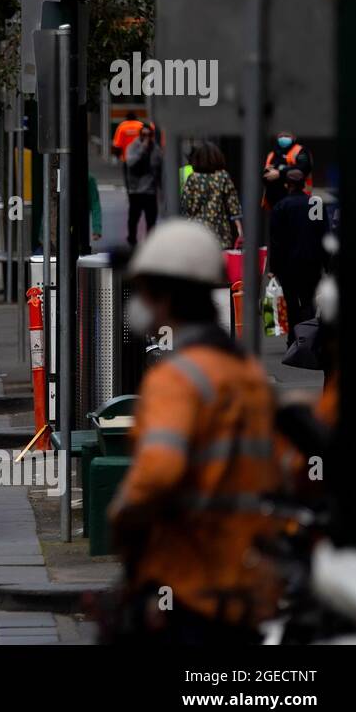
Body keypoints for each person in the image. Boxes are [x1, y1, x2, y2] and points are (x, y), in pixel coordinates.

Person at [109, 219, 282, 644]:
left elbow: (158, 472)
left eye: (146, 290)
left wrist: (120, 518)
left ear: (164, 296)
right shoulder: (249, 374)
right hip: (247, 595)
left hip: (188, 594)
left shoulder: (176, 378)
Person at [268, 168, 327, 345]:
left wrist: (274, 268)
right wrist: (327, 263)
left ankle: (294, 340)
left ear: (287, 185)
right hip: (312, 262)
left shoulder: (281, 206)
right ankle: (309, 337)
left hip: (289, 265)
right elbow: (322, 234)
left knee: (292, 302)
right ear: (303, 184)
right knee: (309, 301)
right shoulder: (314, 204)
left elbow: (276, 241)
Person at [180, 142, 243, 249]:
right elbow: (233, 204)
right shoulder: (223, 176)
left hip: (197, 231)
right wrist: (239, 229)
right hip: (219, 232)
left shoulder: (193, 178)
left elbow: (186, 206)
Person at [123, 122, 162, 247]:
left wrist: (160, 188)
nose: (146, 137)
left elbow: (159, 168)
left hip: (150, 190)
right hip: (136, 190)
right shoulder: (133, 147)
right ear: (140, 135)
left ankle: (151, 243)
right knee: (133, 218)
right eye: (144, 134)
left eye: (149, 135)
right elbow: (130, 163)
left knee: (151, 219)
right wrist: (142, 149)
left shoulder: (156, 149)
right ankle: (132, 241)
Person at [263, 130, 312, 209]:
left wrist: (280, 173)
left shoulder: (300, 151)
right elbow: (265, 173)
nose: (283, 138)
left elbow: (303, 167)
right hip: (275, 201)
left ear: (294, 138)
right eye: (281, 136)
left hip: (296, 198)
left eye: (286, 136)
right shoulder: (272, 154)